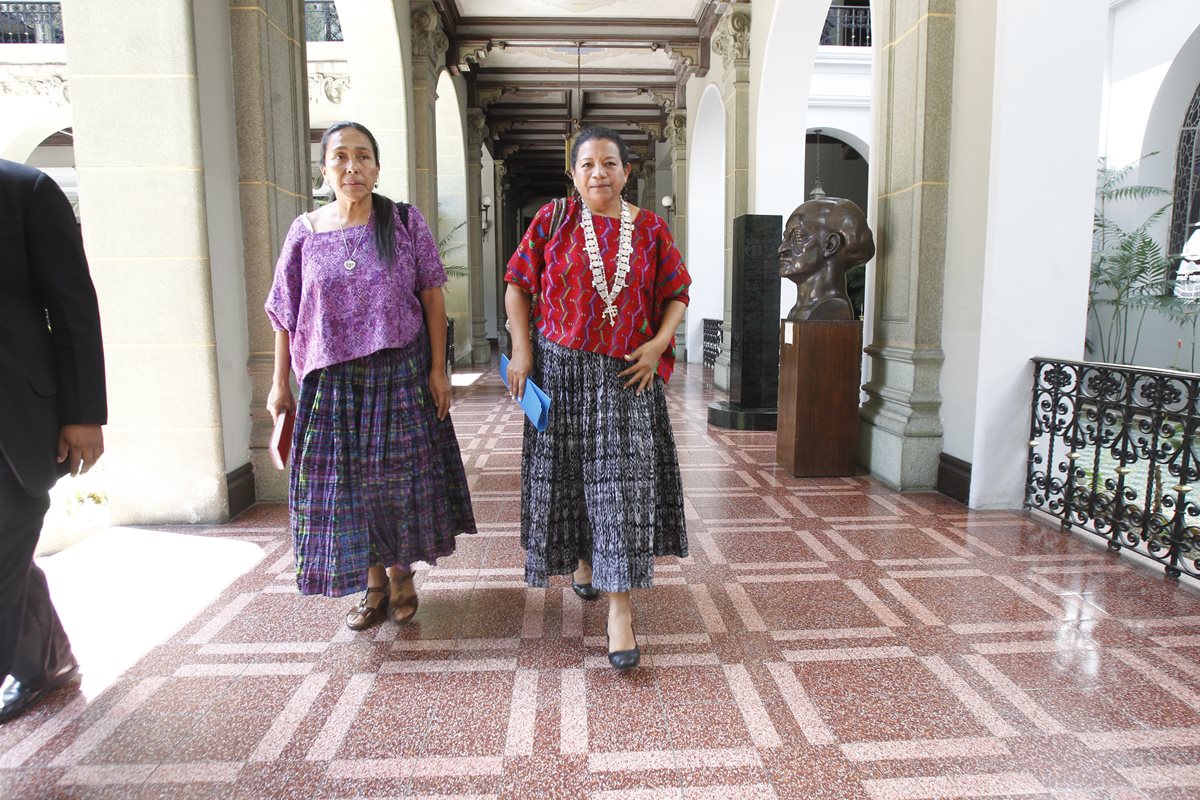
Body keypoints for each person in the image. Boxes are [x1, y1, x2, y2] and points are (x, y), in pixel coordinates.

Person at [266, 121, 476, 630]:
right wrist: (278, 385)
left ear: (377, 169)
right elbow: (284, 312)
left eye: (363, 157)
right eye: (340, 157)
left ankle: (402, 576)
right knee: (348, 488)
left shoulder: (403, 222)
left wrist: (437, 370)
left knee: (396, 483)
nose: (352, 167)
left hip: (398, 372)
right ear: (324, 169)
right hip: (330, 382)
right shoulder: (305, 232)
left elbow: (431, 296)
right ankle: (372, 583)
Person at [504, 127, 690, 671]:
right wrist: (521, 350)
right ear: (574, 174)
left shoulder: (651, 229)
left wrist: (657, 346)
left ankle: (619, 612)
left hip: (626, 378)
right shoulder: (553, 220)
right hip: (560, 374)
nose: (598, 173)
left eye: (609, 163)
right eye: (587, 164)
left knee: (620, 492)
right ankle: (583, 560)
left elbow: (677, 293)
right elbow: (518, 283)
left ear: (628, 172)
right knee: (571, 479)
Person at [0, 158, 106, 722]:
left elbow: (71, 307)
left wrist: (84, 412)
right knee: (9, 558)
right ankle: (47, 661)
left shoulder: (26, 191)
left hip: (12, 420)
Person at [778, 196, 875, 321]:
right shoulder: (797, 311)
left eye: (798, 236)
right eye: (785, 238)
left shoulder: (833, 309)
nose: (781, 249)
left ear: (830, 245)